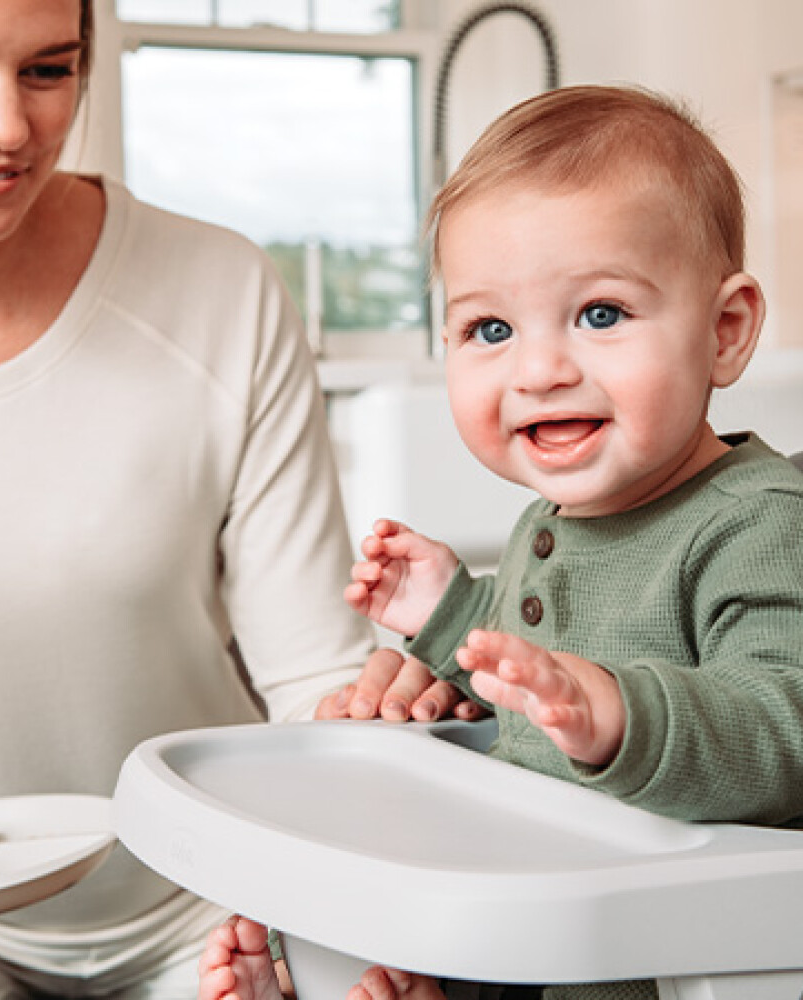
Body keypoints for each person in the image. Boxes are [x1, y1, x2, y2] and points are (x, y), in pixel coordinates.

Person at [0, 0, 475, 996]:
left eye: (48, 70)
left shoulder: (219, 289)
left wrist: (389, 710)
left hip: (216, 893)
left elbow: (311, 680)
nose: (9, 126)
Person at [196, 85, 803, 1000]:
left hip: (671, 966)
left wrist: (622, 719)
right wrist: (453, 619)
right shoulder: (548, 525)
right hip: (534, 934)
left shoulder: (759, 524)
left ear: (725, 333)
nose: (540, 370)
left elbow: (781, 719)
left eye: (600, 313)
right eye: (490, 328)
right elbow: (536, 681)